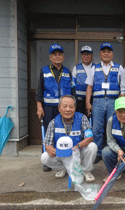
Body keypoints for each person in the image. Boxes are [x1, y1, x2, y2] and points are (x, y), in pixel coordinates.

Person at [36, 43, 76, 172]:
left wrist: (73, 105)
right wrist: (39, 107)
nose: (57, 57)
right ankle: (47, 160)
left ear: (63, 56)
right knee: (48, 132)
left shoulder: (67, 71)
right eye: (55, 54)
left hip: (65, 109)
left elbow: (73, 89)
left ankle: (64, 156)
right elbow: (39, 91)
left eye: (60, 54)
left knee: (64, 131)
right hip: (49, 107)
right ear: (50, 57)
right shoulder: (44, 70)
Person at [41, 95, 98, 183]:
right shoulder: (53, 123)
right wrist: (50, 150)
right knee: (45, 157)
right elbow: (47, 144)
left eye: (71, 106)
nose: (68, 109)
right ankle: (63, 168)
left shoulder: (82, 118)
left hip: (78, 153)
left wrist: (79, 145)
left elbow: (89, 137)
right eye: (64, 106)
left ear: (75, 108)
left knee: (92, 146)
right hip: (62, 155)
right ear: (59, 108)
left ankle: (86, 170)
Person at [85, 42, 124, 164]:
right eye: (103, 51)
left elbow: (122, 88)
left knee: (112, 128)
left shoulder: (119, 68)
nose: (106, 54)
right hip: (98, 102)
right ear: (100, 54)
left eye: (109, 51)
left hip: (113, 101)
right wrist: (88, 103)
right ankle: (97, 153)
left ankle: (110, 152)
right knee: (96, 128)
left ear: (112, 54)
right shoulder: (94, 68)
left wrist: (120, 104)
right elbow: (89, 87)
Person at [72, 46, 94, 115]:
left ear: (92, 55)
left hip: (93, 99)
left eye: (88, 54)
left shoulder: (96, 67)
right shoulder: (76, 68)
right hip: (79, 100)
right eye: (84, 54)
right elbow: (73, 85)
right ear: (81, 55)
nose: (86, 56)